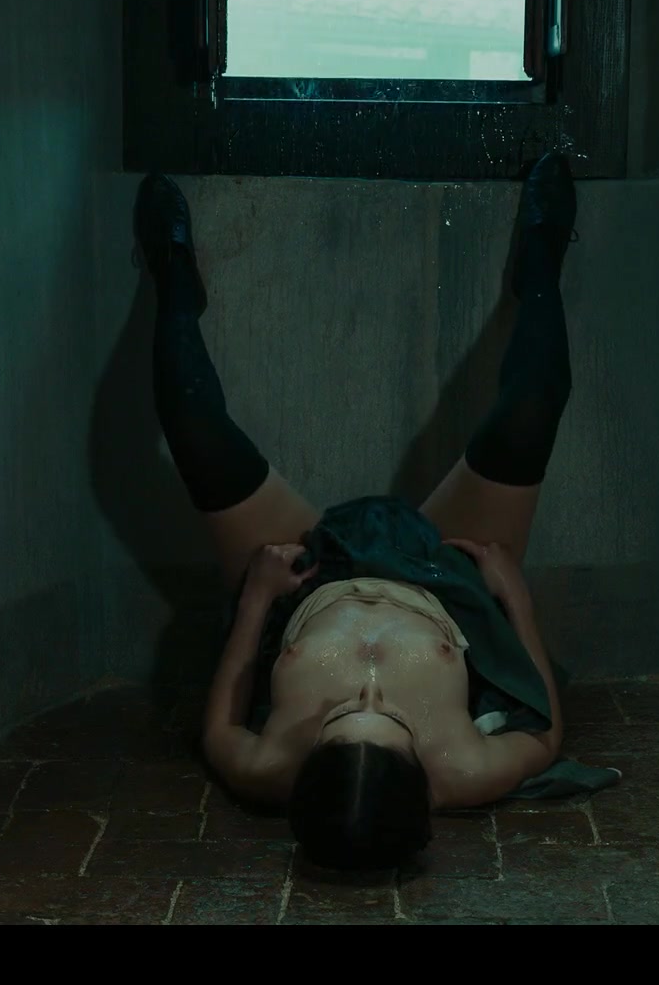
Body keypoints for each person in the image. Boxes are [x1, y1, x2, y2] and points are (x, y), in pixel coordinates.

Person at [134, 152, 579, 871]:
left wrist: (256, 600)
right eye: (385, 720)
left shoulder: (274, 770)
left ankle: (174, 278)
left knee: (193, 426)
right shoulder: (465, 772)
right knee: (531, 409)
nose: (364, 701)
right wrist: (517, 600)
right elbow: (547, 738)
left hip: (306, 570)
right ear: (425, 781)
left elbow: (220, 734)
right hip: (444, 573)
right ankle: (542, 260)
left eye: (340, 722)